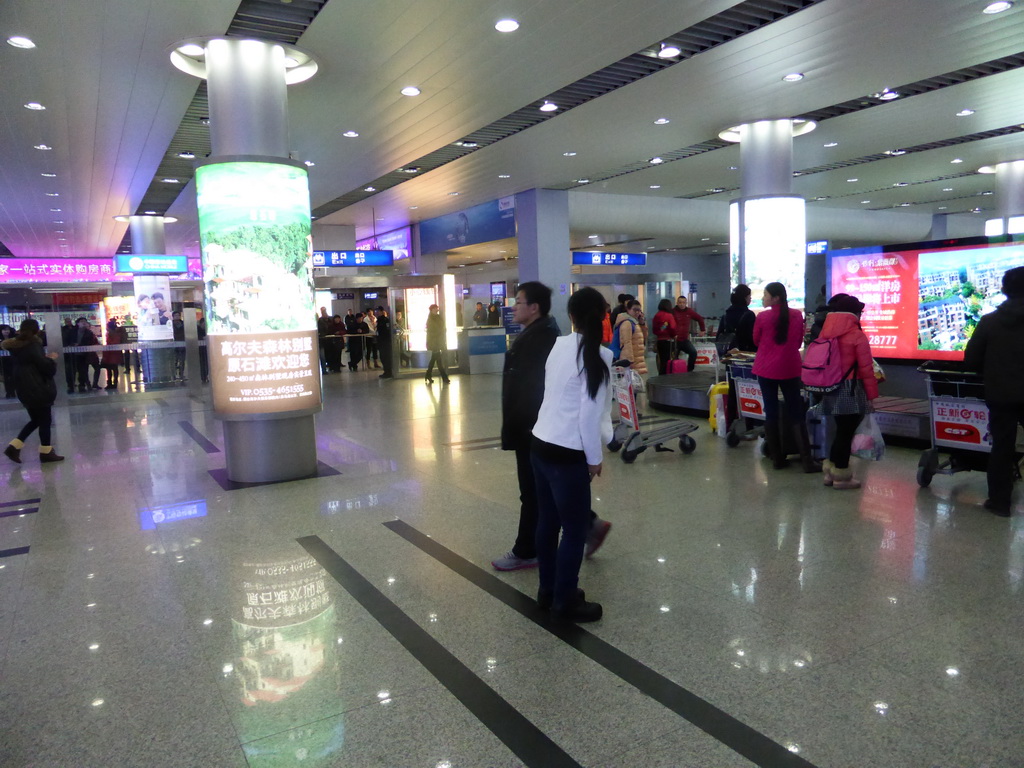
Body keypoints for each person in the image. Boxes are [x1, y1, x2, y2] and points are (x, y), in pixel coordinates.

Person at [492, 282, 612, 572]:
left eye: (518, 302)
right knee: (545, 502)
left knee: (539, 502)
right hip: (540, 434)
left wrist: (593, 458)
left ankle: (534, 559)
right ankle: (584, 530)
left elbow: (574, 405)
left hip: (540, 434)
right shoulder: (544, 338)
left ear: (534, 307)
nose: (513, 307)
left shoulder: (550, 341)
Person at [531, 286, 613, 622]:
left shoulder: (558, 346)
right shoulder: (601, 356)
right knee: (575, 529)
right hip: (567, 454)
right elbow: (589, 414)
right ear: (604, 317)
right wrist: (594, 458)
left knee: (548, 523)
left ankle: (547, 590)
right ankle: (566, 600)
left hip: (540, 442)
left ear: (571, 317)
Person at [964, 266, 1024, 517]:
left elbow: (971, 360)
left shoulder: (989, 322)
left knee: (1002, 447)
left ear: (1004, 290)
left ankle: (1000, 503)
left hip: (1001, 395)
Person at [752, 282, 817, 472]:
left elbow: (756, 340)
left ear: (775, 298)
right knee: (796, 411)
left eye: (765, 295)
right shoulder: (797, 315)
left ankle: (777, 459)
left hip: (765, 369)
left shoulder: (763, 317)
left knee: (770, 411)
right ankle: (807, 460)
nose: (763, 298)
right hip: (790, 368)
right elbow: (798, 342)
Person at [816, 294, 878, 490]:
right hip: (851, 389)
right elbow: (867, 369)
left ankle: (830, 471)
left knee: (840, 431)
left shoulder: (826, 332)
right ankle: (842, 476)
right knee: (846, 432)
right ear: (854, 313)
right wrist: (871, 396)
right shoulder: (857, 336)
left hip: (830, 388)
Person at [2, 318, 64, 464]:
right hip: (38, 387)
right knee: (45, 420)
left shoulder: (14, 346)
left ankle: (14, 447)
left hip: (23, 387)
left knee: (36, 419)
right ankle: (46, 452)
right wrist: (51, 359)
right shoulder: (33, 345)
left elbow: (30, 362)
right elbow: (45, 367)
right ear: (36, 330)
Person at [613, 300, 648, 377]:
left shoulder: (634, 322)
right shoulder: (627, 323)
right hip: (632, 361)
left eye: (639, 310)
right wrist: (629, 361)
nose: (637, 312)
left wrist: (642, 323)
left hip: (637, 358)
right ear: (628, 309)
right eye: (635, 310)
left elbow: (644, 337)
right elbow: (626, 343)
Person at [671, 296, 706, 372]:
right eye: (680, 302)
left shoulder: (689, 311)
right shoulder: (673, 311)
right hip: (674, 341)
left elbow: (700, 318)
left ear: (686, 303)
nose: (682, 304)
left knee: (693, 352)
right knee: (674, 359)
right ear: (677, 303)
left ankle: (689, 371)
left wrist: (702, 330)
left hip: (684, 340)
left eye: (683, 302)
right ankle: (673, 374)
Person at [719, 284, 756, 353]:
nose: (750, 298)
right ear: (744, 298)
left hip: (728, 353)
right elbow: (753, 337)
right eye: (749, 296)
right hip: (745, 353)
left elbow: (719, 336)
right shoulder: (749, 315)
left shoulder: (725, 315)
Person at [72, 317, 101, 392]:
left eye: (85, 321)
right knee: (82, 370)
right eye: (82, 321)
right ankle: (82, 384)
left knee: (88, 369)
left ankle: (90, 384)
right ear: (78, 323)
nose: (84, 323)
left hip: (87, 354)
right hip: (78, 354)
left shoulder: (89, 333)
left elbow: (89, 342)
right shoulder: (73, 331)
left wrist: (79, 345)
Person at [425, 304, 449, 384]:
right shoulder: (430, 319)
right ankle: (444, 377)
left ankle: (428, 375)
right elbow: (433, 331)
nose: (437, 309)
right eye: (435, 308)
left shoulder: (438, 317)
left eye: (437, 308)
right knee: (438, 361)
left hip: (439, 341)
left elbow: (442, 328)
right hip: (434, 342)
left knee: (433, 359)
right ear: (431, 310)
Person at [651, 299, 677, 375]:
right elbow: (673, 328)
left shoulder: (656, 315)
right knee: (667, 361)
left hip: (659, 341)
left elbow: (654, 330)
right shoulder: (669, 315)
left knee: (662, 361)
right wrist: (673, 335)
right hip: (668, 341)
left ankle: (661, 376)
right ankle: (666, 378)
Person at [101, 319, 124, 390]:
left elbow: (113, 343)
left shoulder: (112, 334)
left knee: (111, 369)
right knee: (113, 369)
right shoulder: (115, 334)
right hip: (114, 354)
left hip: (112, 354)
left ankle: (111, 383)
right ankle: (113, 383)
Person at [374, 306, 393, 379]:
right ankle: (386, 371)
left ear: (382, 311)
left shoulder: (385, 320)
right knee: (382, 357)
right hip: (381, 342)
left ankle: (388, 372)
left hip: (385, 342)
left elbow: (386, 331)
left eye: (378, 311)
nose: (377, 313)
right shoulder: (379, 320)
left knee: (386, 358)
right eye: (376, 312)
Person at [60, 317, 77, 394]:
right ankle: (70, 384)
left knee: (73, 368)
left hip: (74, 353)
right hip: (66, 353)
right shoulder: (63, 330)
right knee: (68, 369)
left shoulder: (74, 328)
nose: (68, 322)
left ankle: (73, 383)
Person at [0, 323, 16, 398]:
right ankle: (8, 392)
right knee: (6, 377)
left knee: (13, 376)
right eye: (4, 330)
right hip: (2, 361)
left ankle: (12, 391)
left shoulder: (13, 339)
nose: (7, 331)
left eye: (8, 330)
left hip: (12, 360)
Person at [171, 310, 185, 379]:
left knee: (182, 360)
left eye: (178, 315)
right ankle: (173, 374)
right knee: (174, 360)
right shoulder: (170, 324)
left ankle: (181, 374)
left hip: (182, 344)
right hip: (174, 344)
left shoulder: (183, 324)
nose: (177, 317)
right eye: (175, 315)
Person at [196, 313, 208, 383]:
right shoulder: (198, 330)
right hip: (200, 350)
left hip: (206, 350)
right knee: (202, 364)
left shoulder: (207, 330)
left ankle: (205, 376)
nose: (204, 325)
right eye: (203, 324)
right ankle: (203, 377)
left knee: (206, 364)